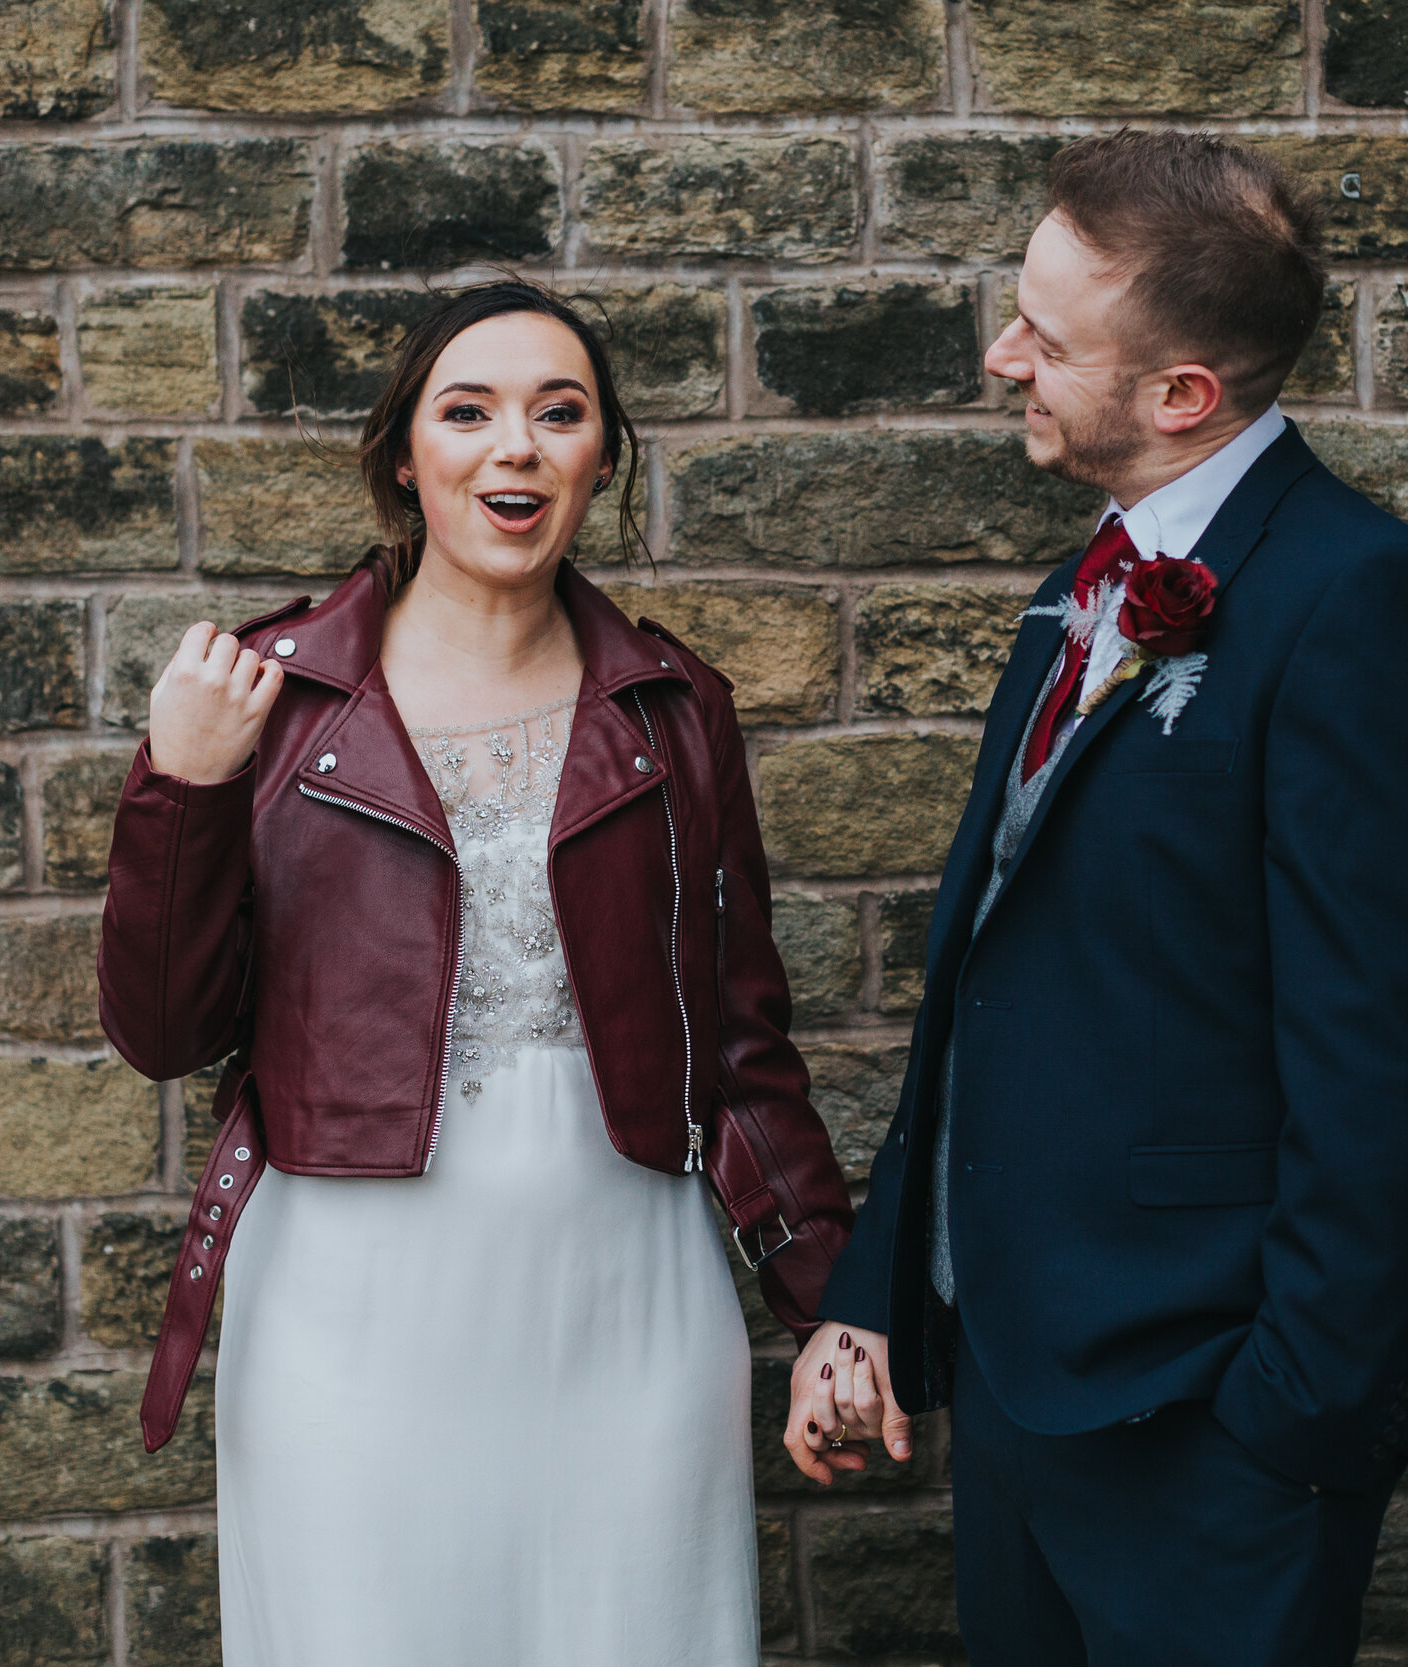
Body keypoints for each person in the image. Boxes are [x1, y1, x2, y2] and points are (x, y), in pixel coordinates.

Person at [786, 131, 1408, 1664]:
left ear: (1184, 392)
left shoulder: (1364, 607)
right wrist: (883, 1291)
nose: (1003, 359)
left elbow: (1385, 1065)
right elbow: (989, 967)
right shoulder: (1088, 585)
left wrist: (1285, 1424)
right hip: (1018, 1384)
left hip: (1209, 1423)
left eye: (1047, 342)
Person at [97, 279, 853, 1666]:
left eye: (559, 414)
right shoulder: (264, 698)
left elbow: (742, 1043)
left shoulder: (678, 711)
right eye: (469, 412)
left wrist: (832, 1305)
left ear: (601, 459)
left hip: (627, 1298)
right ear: (406, 453)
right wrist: (184, 790)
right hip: (350, 1308)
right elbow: (164, 1033)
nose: (516, 447)